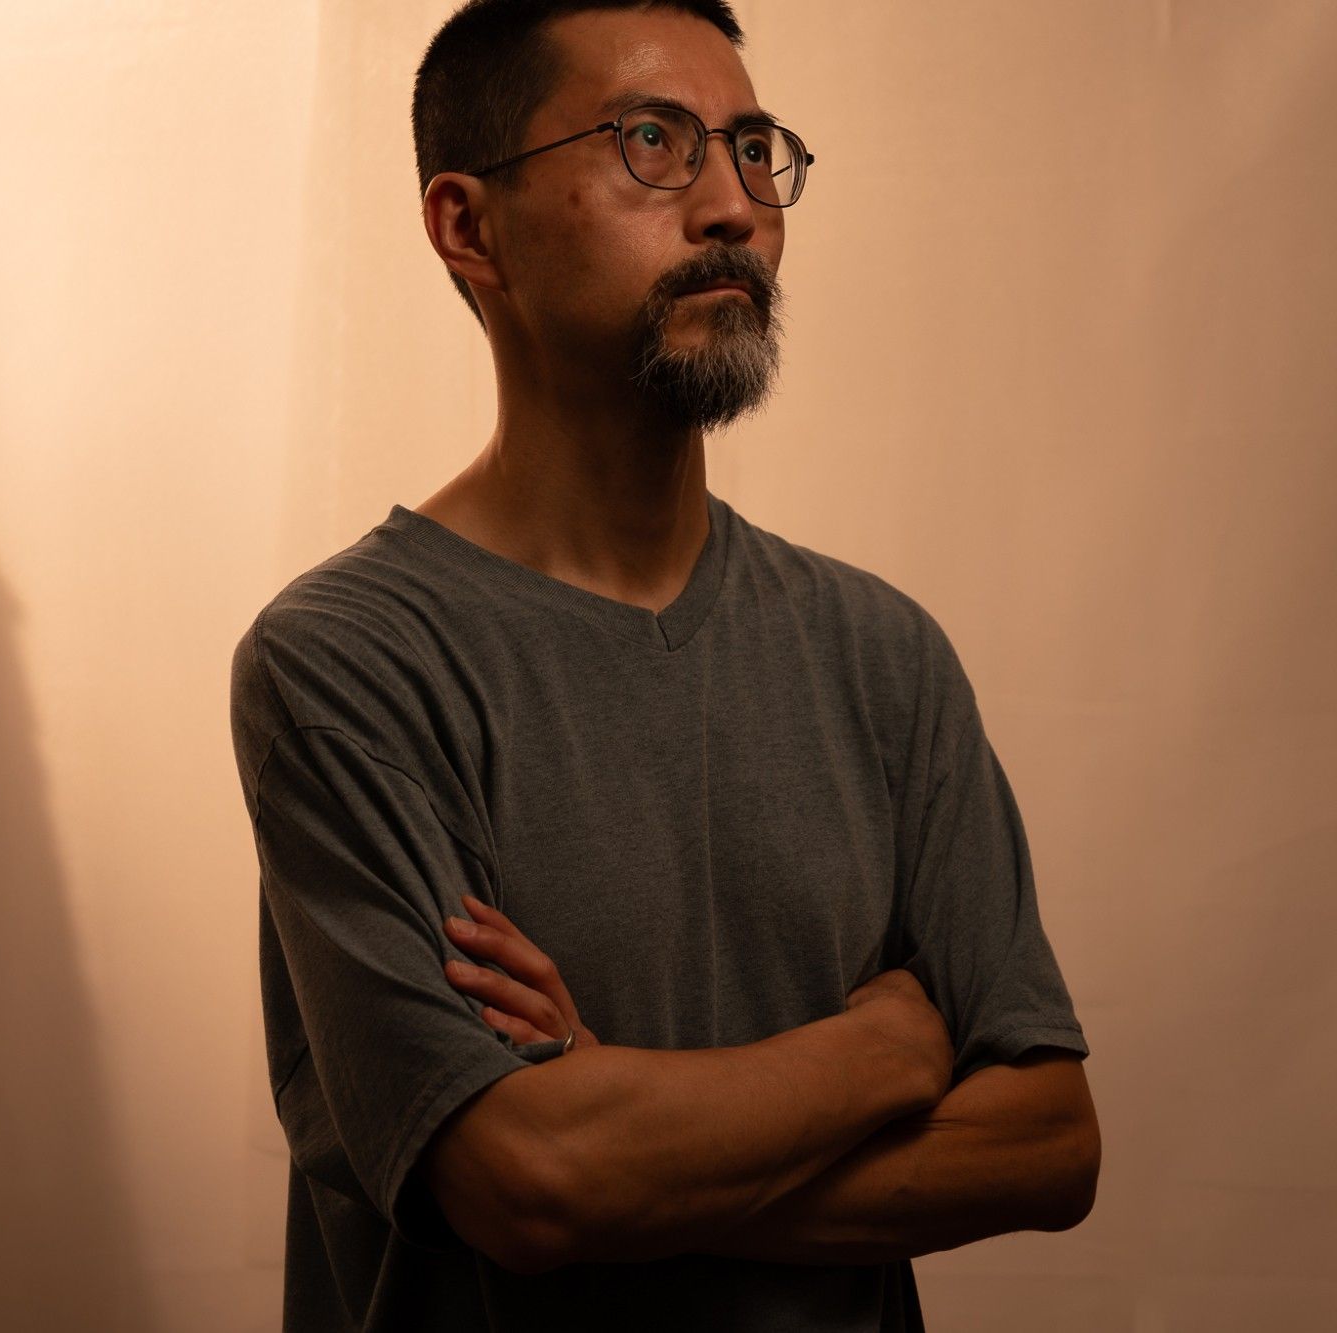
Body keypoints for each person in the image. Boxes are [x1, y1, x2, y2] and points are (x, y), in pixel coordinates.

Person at [226, 2, 1100, 1328]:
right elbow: (531, 1181)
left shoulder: (879, 654)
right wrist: (886, 1048)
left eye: (753, 150)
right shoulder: (347, 663)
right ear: (470, 226)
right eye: (653, 142)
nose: (733, 208)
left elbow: (1050, 1140)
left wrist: (624, 1129)